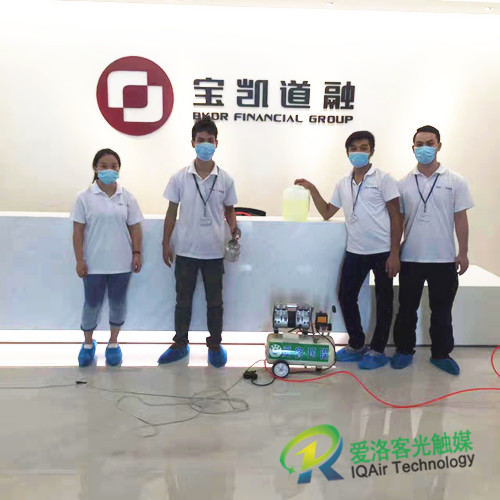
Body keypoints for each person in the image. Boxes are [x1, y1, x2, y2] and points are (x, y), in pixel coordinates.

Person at [295, 131, 402, 369]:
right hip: (356, 250)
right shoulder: (343, 183)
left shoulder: (384, 179)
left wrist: (395, 253)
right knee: (345, 295)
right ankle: (356, 344)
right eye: (354, 149)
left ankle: (377, 350)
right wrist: (312, 189)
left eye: (363, 148)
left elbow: (397, 216)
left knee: (384, 301)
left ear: (372, 151)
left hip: (383, 251)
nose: (358, 152)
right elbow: (327, 212)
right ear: (347, 153)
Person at [391, 125, 473, 375]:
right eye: (419, 144)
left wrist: (463, 252)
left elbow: (461, 219)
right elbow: (398, 222)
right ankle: (404, 350)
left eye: (430, 143)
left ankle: (441, 354)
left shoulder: (455, 181)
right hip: (411, 258)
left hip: (443, 258)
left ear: (439, 146)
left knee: (442, 311)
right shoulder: (403, 183)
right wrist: (394, 253)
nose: (424, 148)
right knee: (406, 310)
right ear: (412, 148)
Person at [159, 116, 240, 368]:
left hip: (214, 251)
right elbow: (171, 212)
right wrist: (165, 243)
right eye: (201, 140)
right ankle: (180, 344)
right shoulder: (179, 177)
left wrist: (234, 229)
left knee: (215, 303)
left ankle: (214, 346)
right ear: (192, 143)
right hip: (186, 250)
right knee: (182, 301)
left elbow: (230, 211)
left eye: (210, 140)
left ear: (217, 144)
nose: (205, 144)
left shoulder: (225, 179)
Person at [71, 149, 143, 367]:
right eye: (103, 166)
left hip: (121, 264)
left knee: (118, 304)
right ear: (95, 168)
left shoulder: (127, 197)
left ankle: (113, 343)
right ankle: (87, 344)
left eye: (114, 166)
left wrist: (137, 253)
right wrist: (80, 260)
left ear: (119, 169)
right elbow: (78, 231)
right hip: (94, 264)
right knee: (91, 305)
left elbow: (135, 228)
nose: (109, 170)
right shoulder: (83, 197)